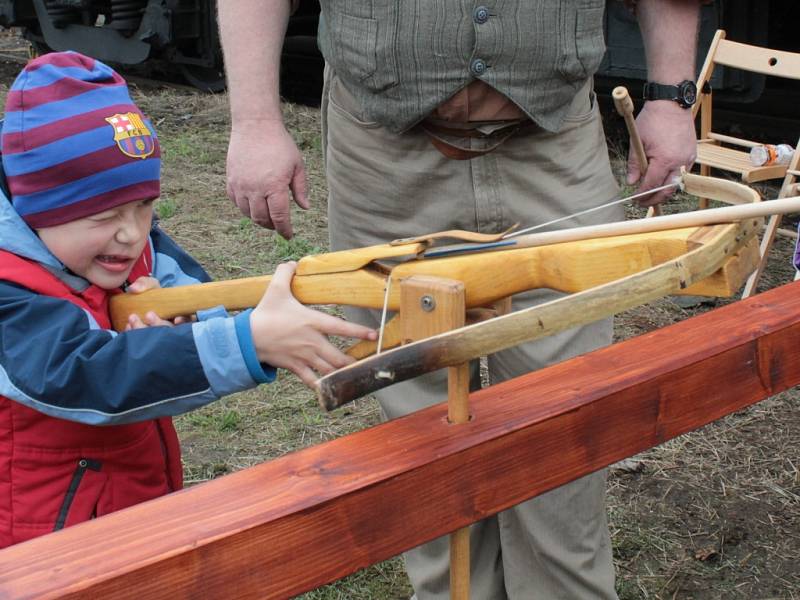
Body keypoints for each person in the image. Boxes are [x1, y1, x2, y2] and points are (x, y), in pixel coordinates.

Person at [219, 1, 702, 597]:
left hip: (555, 144)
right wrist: (255, 120)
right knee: (420, 418)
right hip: (383, 154)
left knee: (561, 414)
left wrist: (670, 95)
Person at [0, 51, 375, 549]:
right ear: (37, 209)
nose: (133, 235)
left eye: (144, 205)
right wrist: (247, 342)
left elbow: (193, 291)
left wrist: (179, 319)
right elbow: (82, 375)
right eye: (104, 216)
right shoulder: (9, 290)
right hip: (38, 543)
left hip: (119, 501)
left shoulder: (118, 246)